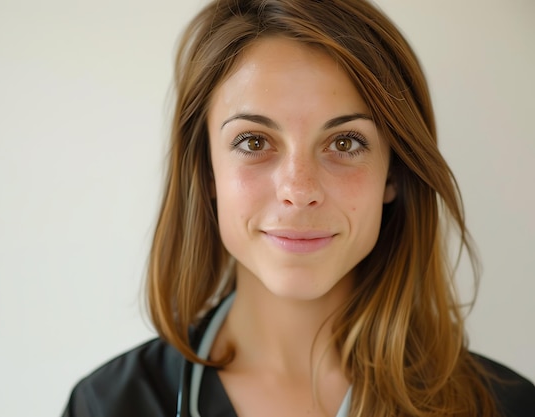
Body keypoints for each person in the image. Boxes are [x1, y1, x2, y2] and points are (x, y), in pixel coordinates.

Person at [62, 0, 535, 416]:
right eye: (253, 141)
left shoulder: (505, 407)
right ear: (205, 171)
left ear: (394, 174)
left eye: (345, 142)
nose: (299, 189)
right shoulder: (106, 406)